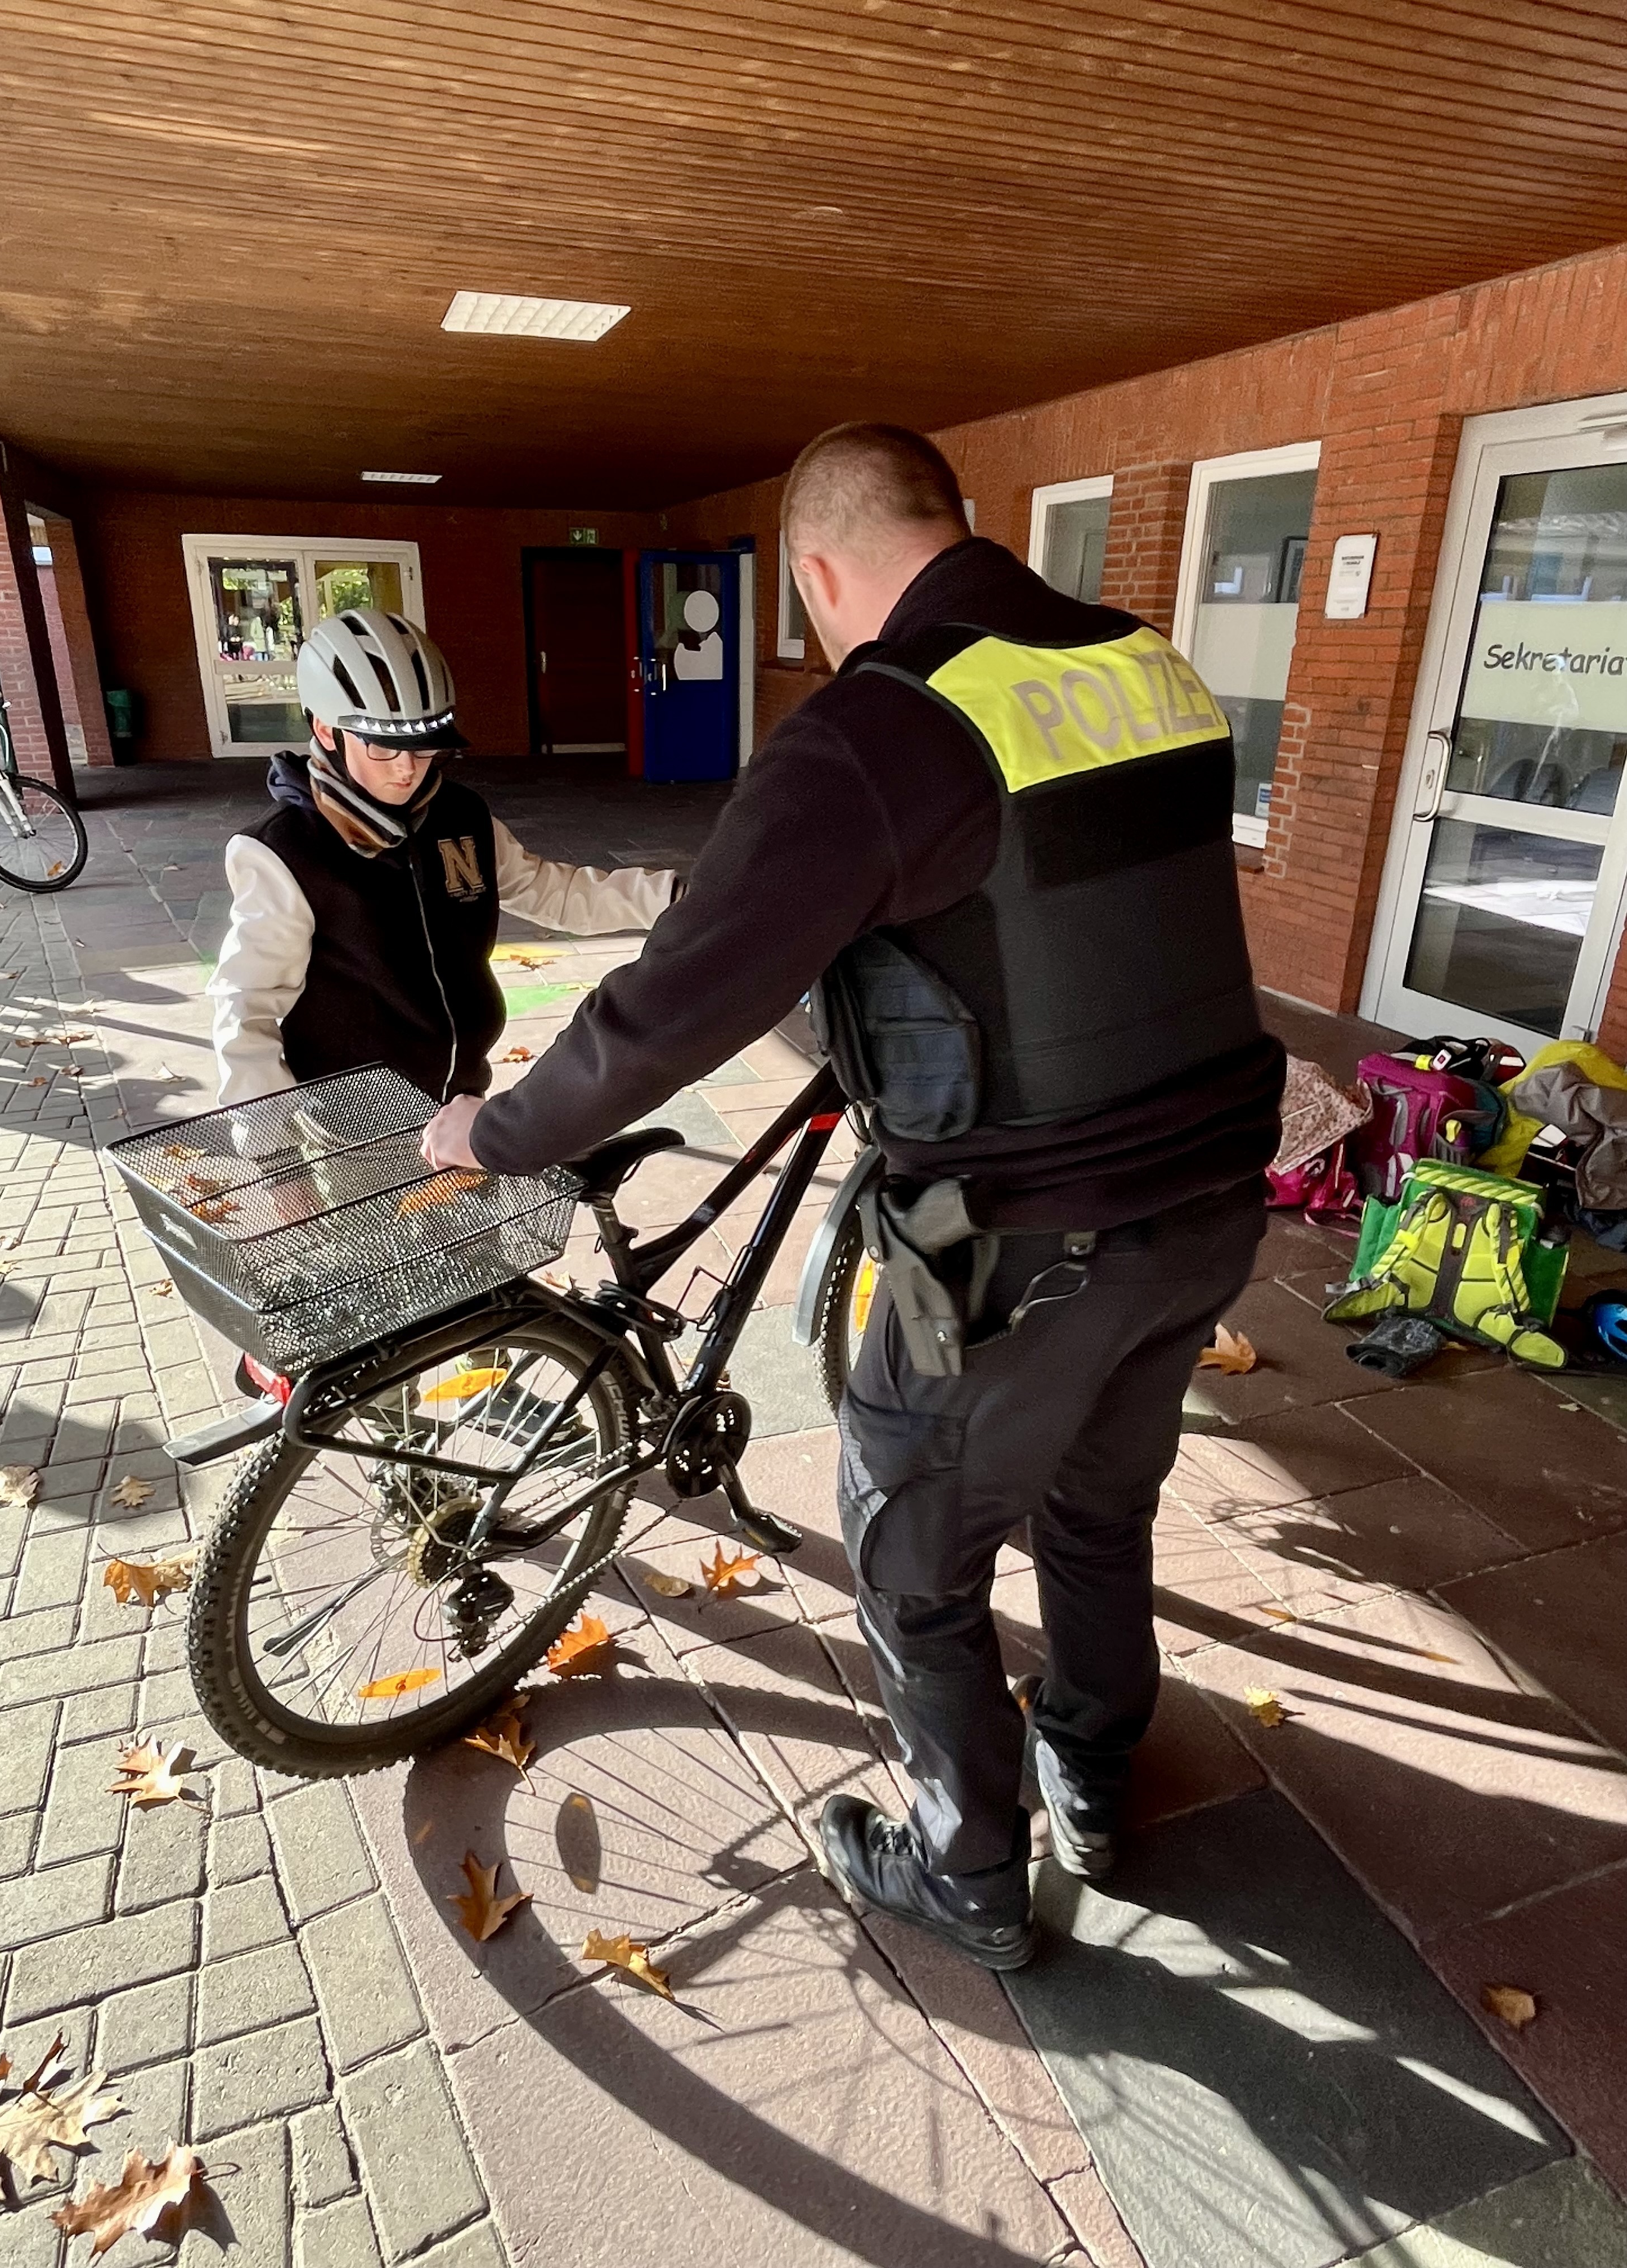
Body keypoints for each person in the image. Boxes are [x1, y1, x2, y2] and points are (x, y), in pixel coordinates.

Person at [421, 425, 1283, 1971]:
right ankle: (1090, 1759)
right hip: (1212, 1198)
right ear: (957, 526)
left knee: (905, 1542)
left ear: (819, 572)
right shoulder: (1147, 664)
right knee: (1099, 1500)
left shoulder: (879, 729)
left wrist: (500, 1134)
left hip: (1009, 1237)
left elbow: (669, 1002)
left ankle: (965, 1871)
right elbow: (1068, 920)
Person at [209, 606, 679, 1106]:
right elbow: (246, 1008)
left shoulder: (461, 815)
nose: (407, 770)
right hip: (350, 1115)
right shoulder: (283, 851)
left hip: (462, 1092)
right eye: (383, 749)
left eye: (424, 747)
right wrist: (271, 1145)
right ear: (328, 731)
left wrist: (676, 898)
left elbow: (551, 893)